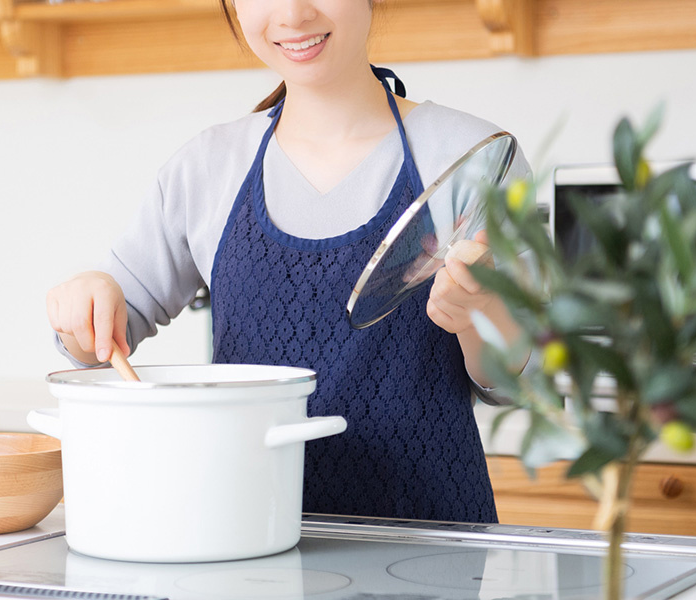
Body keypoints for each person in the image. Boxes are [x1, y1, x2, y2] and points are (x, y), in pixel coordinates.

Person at [47, 0, 532, 523]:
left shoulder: (469, 156)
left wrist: (483, 310)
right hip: (242, 538)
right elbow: (94, 347)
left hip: (430, 545)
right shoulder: (208, 167)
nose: (293, 13)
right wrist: (86, 302)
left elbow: (515, 378)